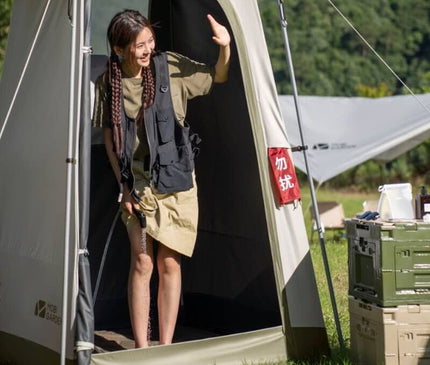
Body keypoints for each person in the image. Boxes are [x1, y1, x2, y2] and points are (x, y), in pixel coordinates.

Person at [92, 9, 230, 348]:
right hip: (137, 183)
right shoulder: (109, 82)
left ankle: (165, 347)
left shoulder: (169, 68)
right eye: (139, 45)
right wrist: (123, 186)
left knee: (169, 262)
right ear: (118, 48)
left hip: (177, 181)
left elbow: (218, 76)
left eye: (149, 41)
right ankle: (142, 348)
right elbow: (111, 139)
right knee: (142, 262)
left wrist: (225, 47)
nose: (147, 49)